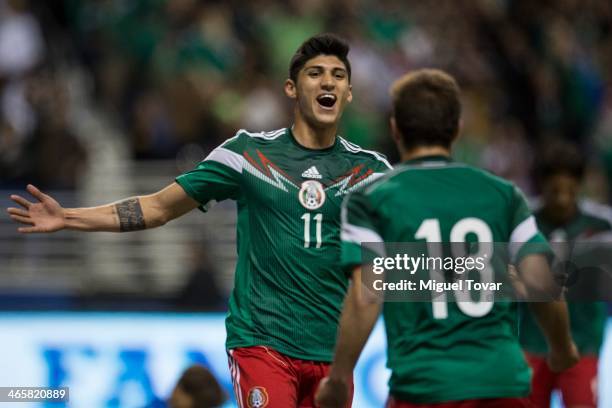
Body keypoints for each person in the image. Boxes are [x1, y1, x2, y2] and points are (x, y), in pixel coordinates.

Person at [6, 33, 391, 407]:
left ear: (349, 93)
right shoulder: (247, 155)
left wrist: (447, 295)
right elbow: (158, 207)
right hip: (263, 344)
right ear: (291, 88)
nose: (328, 81)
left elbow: (405, 253)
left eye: (338, 75)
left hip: (333, 356)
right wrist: (68, 217)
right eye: (315, 73)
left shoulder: (371, 173)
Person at [315, 69, 579, 408]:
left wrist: (339, 378)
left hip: (425, 387)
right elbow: (542, 284)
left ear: (395, 130)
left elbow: (366, 295)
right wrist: (561, 347)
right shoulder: (504, 196)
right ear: (457, 129)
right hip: (501, 386)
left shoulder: (371, 199)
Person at [520, 141, 611, 408]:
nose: (562, 199)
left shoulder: (602, 224)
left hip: (582, 345)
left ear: (579, 186)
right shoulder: (522, 221)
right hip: (531, 344)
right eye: (554, 191)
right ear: (541, 187)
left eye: (569, 191)